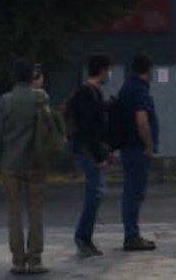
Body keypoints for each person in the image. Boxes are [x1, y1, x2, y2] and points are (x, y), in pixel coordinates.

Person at [0, 58, 51, 274]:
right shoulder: (41, 98)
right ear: (31, 76)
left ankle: (18, 261)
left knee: (14, 212)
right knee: (36, 211)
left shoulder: (4, 101)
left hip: (10, 163)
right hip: (36, 162)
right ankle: (35, 259)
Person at [68, 54, 112, 257]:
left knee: (96, 193)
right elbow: (89, 129)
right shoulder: (88, 94)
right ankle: (83, 237)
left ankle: (85, 237)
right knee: (94, 194)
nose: (108, 74)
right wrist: (99, 157)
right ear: (102, 71)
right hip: (88, 152)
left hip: (90, 150)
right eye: (108, 70)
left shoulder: (93, 93)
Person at [118, 53, 159, 251]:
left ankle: (131, 233)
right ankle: (132, 236)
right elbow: (142, 122)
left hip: (128, 146)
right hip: (137, 148)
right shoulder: (138, 90)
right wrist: (149, 146)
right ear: (148, 69)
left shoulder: (127, 87)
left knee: (130, 192)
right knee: (135, 193)